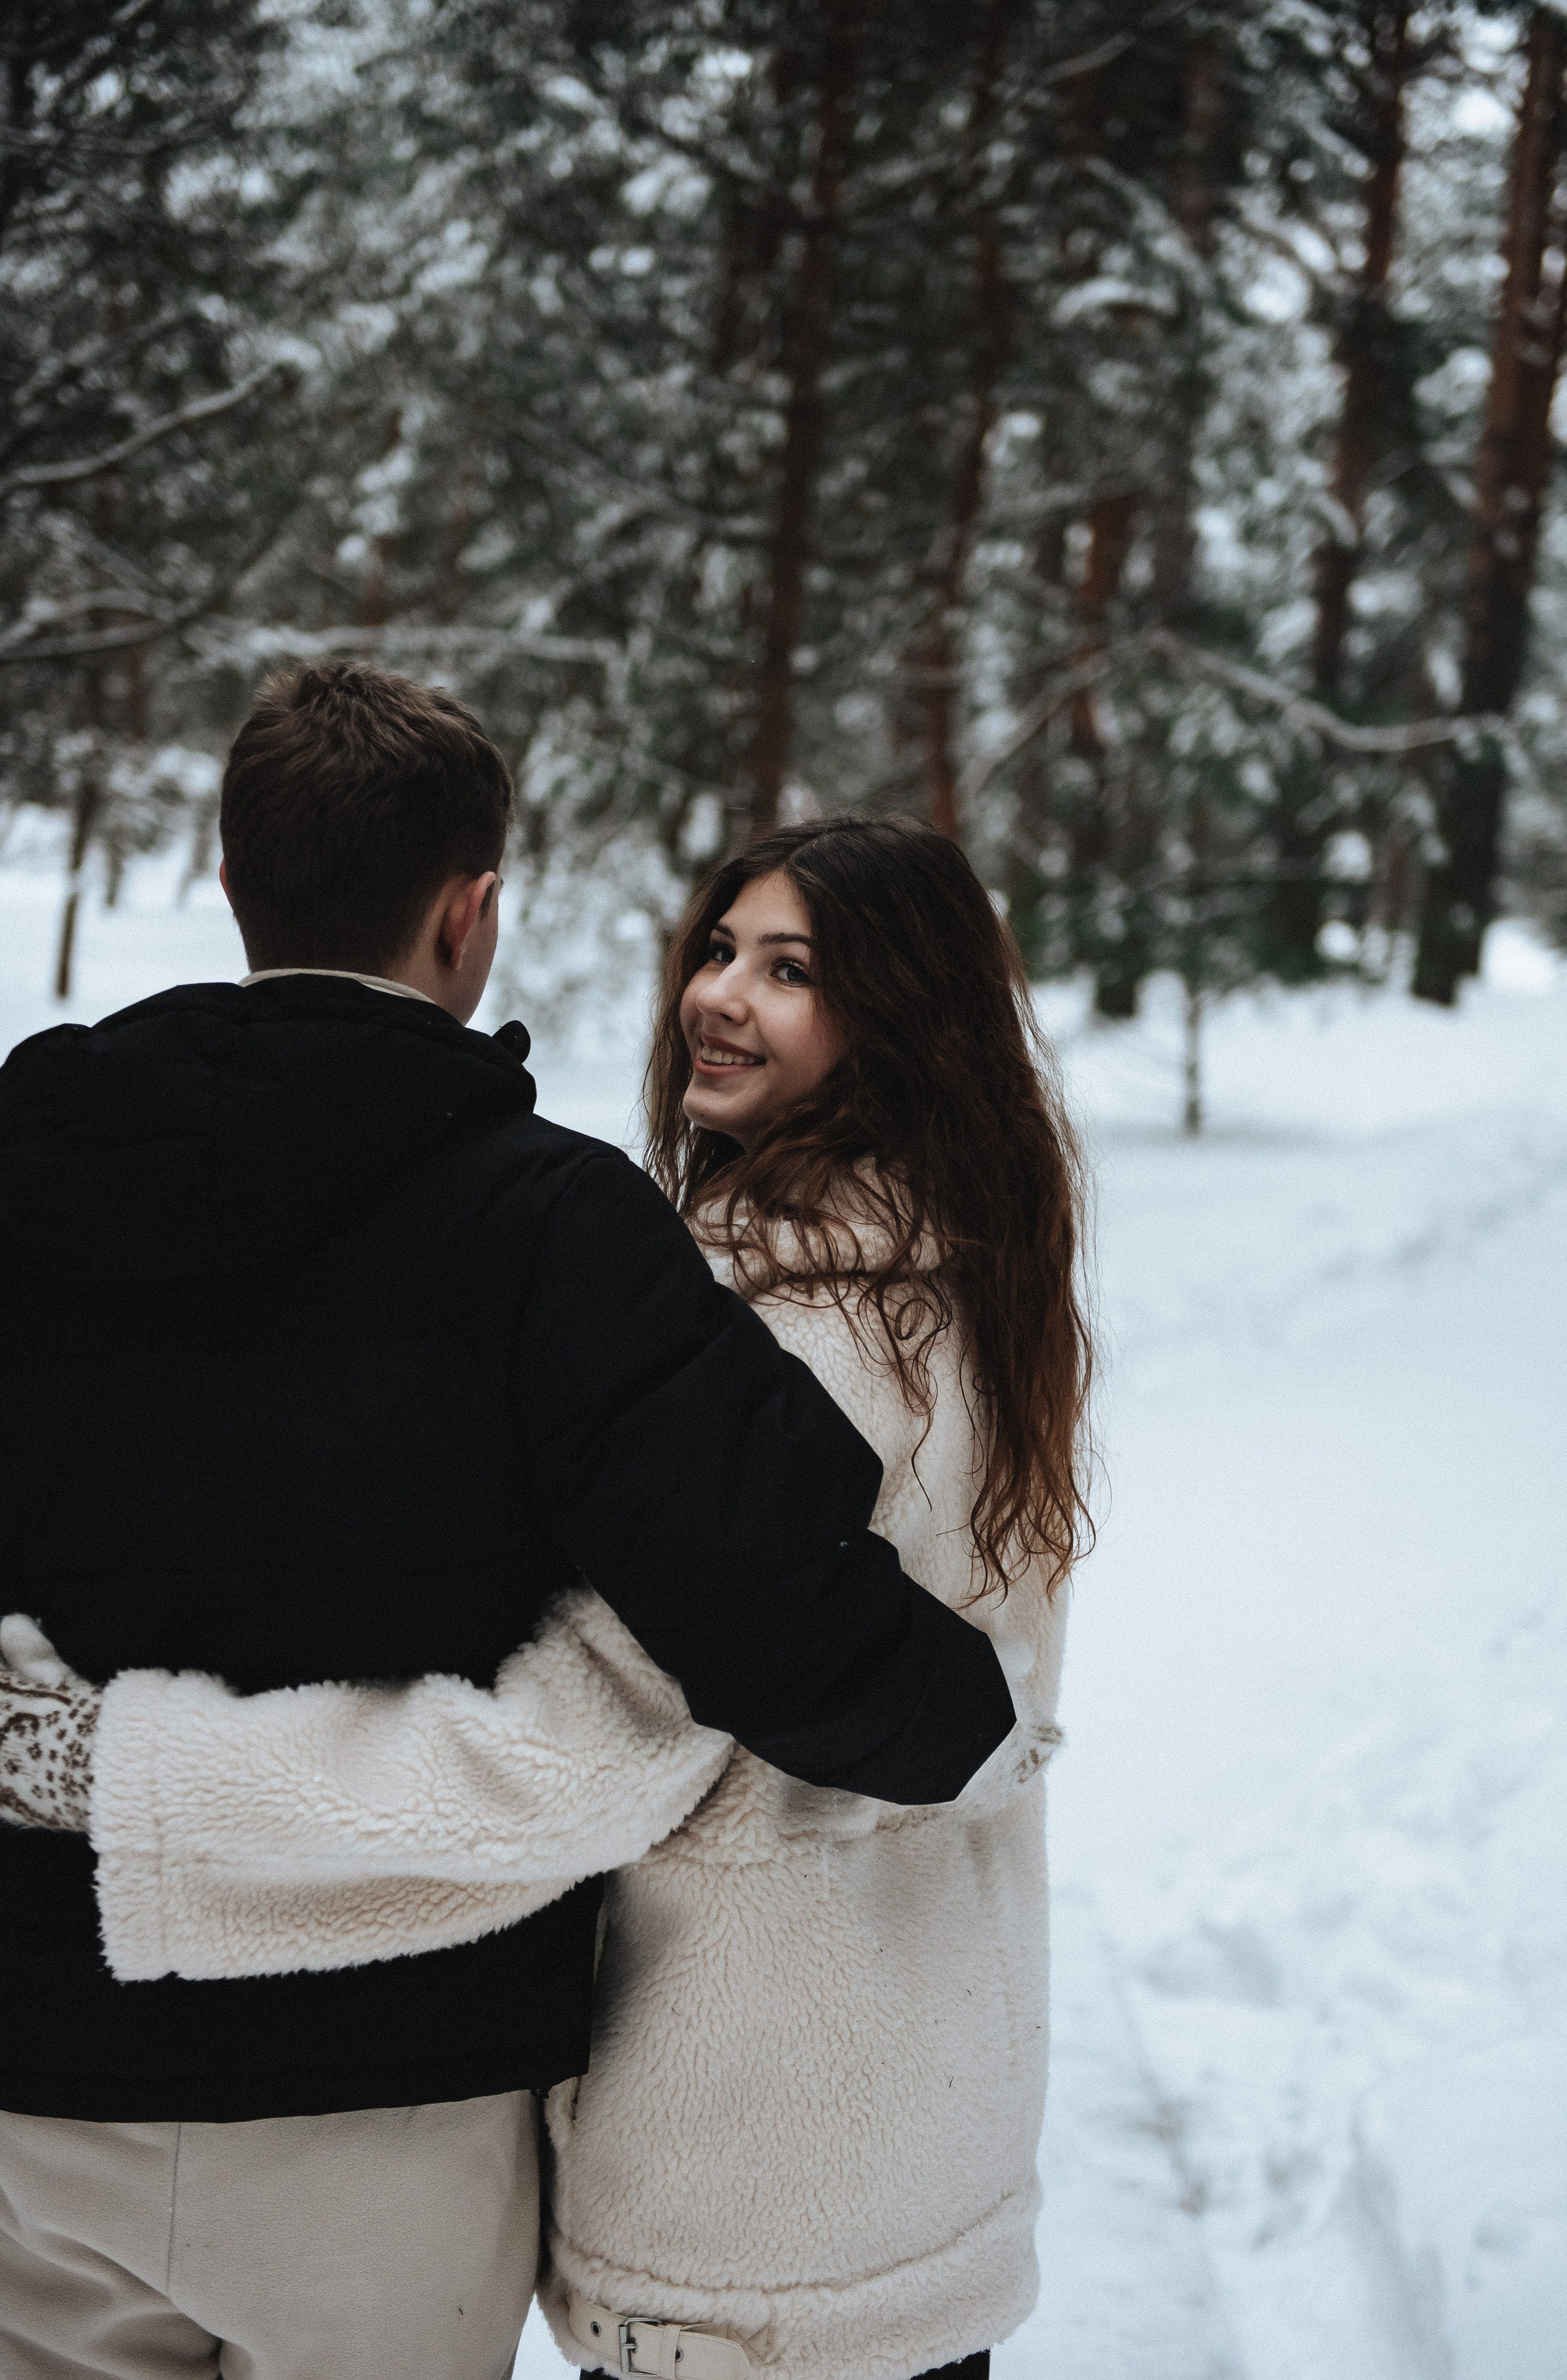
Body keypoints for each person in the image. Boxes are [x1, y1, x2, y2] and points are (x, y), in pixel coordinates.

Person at [0, 670, 1017, 2380]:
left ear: (236, 878)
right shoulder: (556, 1222)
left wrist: (60, 1749)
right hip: (386, 2090)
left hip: (30, 2069)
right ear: (472, 912)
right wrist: (960, 1713)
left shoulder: (29, 1155)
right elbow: (752, 1603)